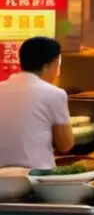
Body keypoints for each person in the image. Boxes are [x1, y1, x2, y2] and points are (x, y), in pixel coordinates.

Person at [0, 37, 74, 170]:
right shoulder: (54, 93)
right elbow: (65, 145)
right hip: (36, 177)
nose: (57, 72)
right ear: (47, 66)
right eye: (57, 65)